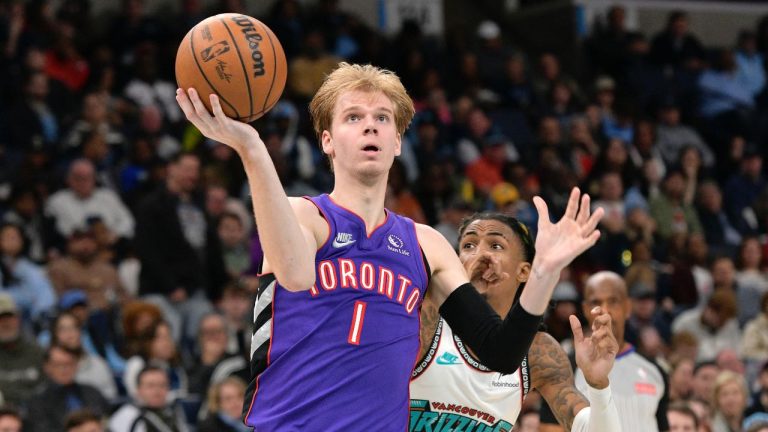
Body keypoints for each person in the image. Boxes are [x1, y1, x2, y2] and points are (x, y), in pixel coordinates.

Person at [176, 62, 604, 429]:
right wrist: (251, 148)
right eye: (353, 117)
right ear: (327, 140)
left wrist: (545, 269)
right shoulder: (301, 215)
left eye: (383, 118)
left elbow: (500, 353)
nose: (370, 125)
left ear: (397, 142)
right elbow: (295, 274)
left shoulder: (427, 245)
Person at [410, 213, 621, 431]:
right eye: (469, 246)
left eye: (496, 246)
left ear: (523, 272)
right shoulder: (423, 321)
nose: (481, 254)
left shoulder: (537, 351)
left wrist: (598, 388)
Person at [540, 271, 670, 432]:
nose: (605, 310)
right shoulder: (564, 368)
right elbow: (549, 428)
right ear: (585, 309)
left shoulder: (656, 370)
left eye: (613, 301)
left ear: (628, 307)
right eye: (596, 302)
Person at [26, 344, 109, 432]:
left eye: (69, 363)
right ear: (47, 367)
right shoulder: (38, 401)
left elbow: (107, 419)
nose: (64, 369)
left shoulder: (91, 392)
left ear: (77, 365)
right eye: (58, 364)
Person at [109, 365, 189, 432]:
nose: (157, 391)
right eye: (150, 386)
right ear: (139, 390)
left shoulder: (173, 412)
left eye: (162, 385)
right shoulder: (127, 415)